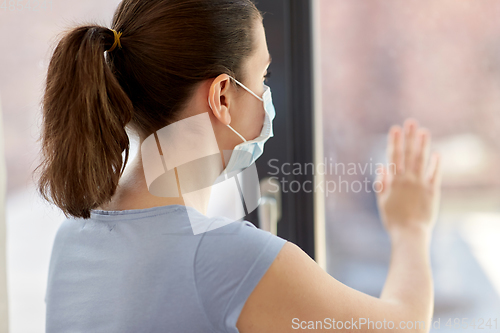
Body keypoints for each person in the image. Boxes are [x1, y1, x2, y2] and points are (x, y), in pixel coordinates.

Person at [35, 0, 442, 332]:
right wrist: (411, 228)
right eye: (262, 76)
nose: (266, 93)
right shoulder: (230, 258)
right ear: (223, 97)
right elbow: (405, 326)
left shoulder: (72, 238)